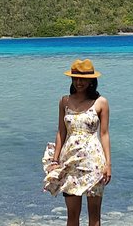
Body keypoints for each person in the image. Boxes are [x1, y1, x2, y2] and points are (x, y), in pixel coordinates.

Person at [43, 58, 111, 226]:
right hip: (70, 161)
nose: (79, 82)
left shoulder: (101, 102)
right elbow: (61, 131)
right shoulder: (64, 101)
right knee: (72, 215)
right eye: (75, 78)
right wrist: (55, 160)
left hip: (93, 162)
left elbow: (104, 134)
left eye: (83, 79)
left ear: (91, 80)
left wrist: (108, 164)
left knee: (94, 217)